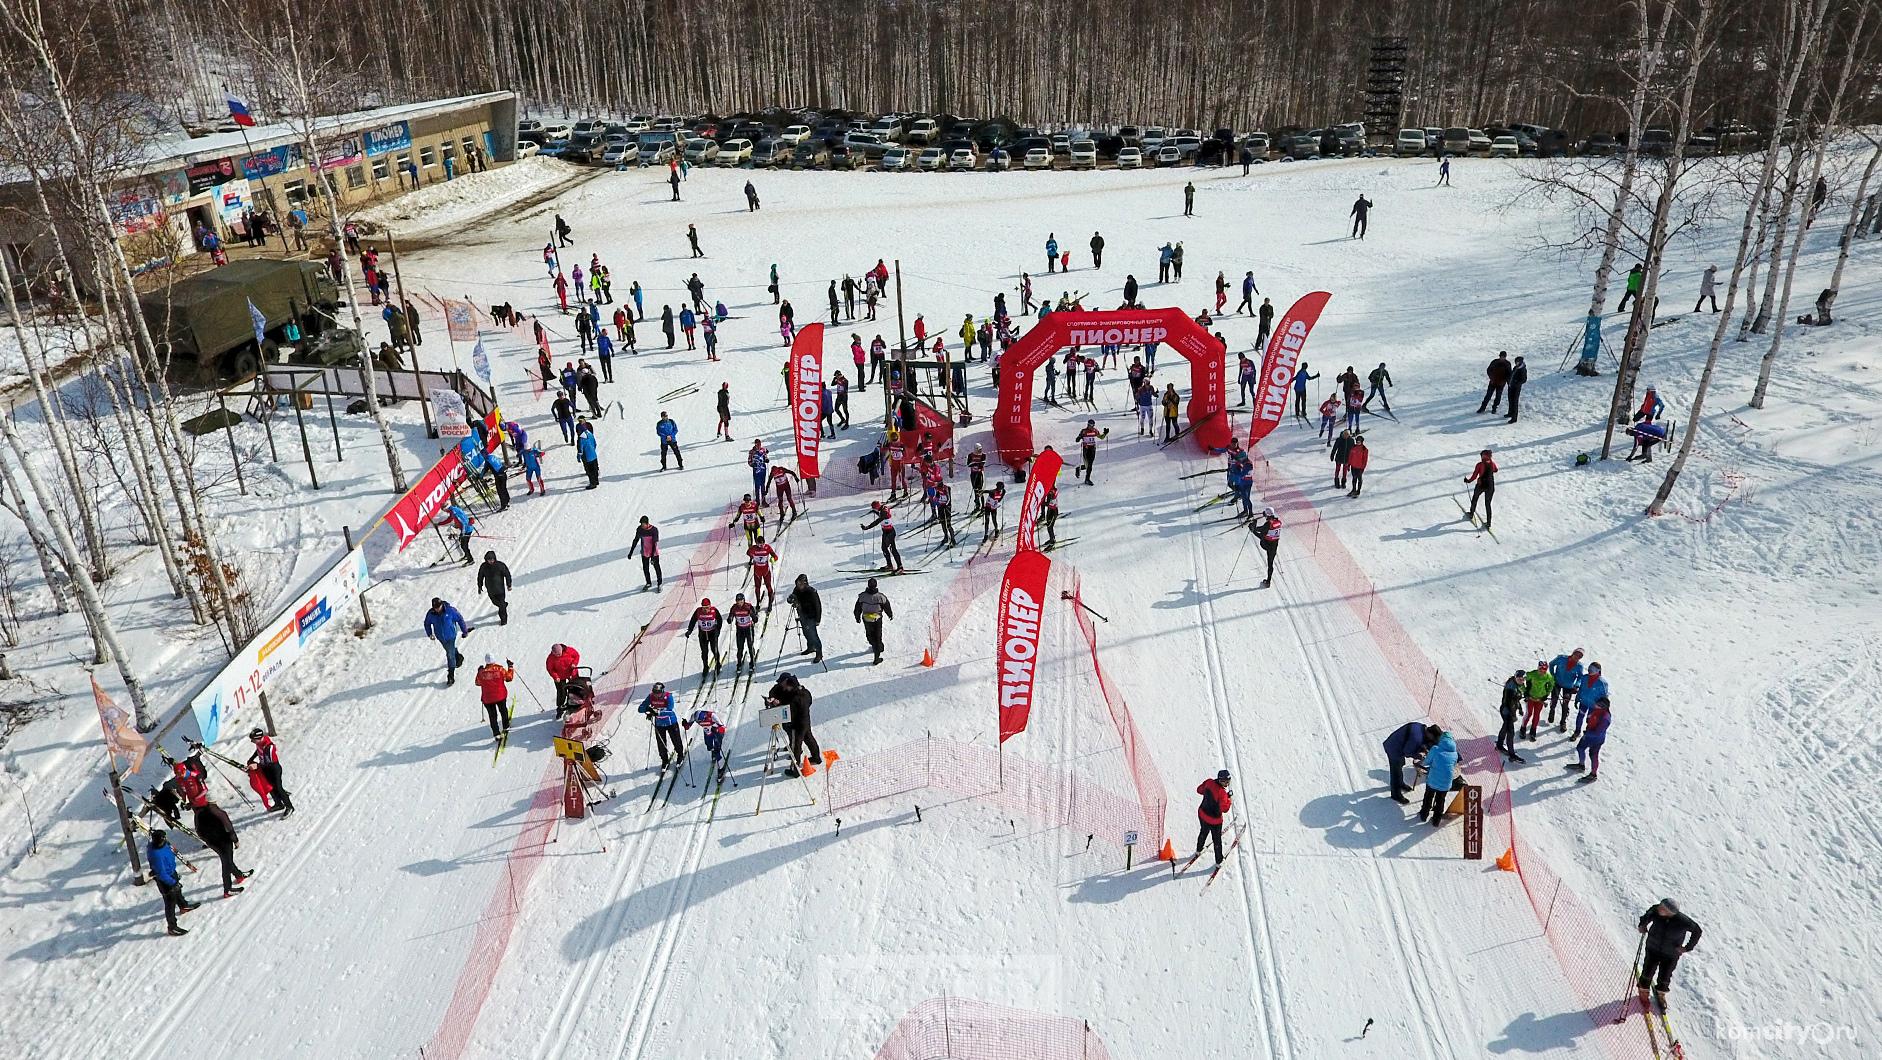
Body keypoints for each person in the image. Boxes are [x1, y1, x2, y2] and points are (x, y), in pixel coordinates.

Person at [1636, 900, 1703, 1008]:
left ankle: (1661, 993)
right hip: (1653, 948)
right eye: (1661, 905)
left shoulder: (1683, 921)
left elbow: (1697, 931)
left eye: (1663, 908)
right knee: (1648, 970)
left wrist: (1687, 947)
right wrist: (1642, 925)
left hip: (1670, 954)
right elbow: (1647, 916)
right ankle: (1643, 990)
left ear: (1670, 912)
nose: (1659, 908)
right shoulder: (1656, 910)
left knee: (1665, 975)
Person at [765, 672, 824, 775]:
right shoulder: (797, 691)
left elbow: (789, 711)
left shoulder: (798, 697)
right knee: (809, 738)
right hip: (804, 720)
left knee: (796, 746)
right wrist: (773, 698)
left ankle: (795, 770)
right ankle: (816, 758)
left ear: (788, 683)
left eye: (784, 686)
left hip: (798, 724)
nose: (782, 687)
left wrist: (779, 704)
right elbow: (776, 690)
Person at [192, 798, 250, 897]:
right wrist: (235, 840)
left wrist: (208, 841)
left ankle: (239, 875)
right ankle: (227, 890)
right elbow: (228, 825)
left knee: (226, 859)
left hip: (212, 843)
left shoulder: (198, 813)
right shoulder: (216, 811)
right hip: (224, 840)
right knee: (226, 863)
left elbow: (198, 831)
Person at [148, 829, 198, 935]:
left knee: (178, 891)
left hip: (171, 872)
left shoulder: (164, 845)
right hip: (165, 880)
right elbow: (161, 874)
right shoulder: (156, 855)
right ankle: (172, 927)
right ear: (159, 841)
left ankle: (183, 906)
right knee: (170, 903)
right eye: (163, 839)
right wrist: (173, 883)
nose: (166, 840)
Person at [1382, 722, 1441, 803]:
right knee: (1395, 772)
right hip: (1394, 748)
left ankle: (1400, 783)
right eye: (1433, 738)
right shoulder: (1417, 738)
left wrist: (1422, 748)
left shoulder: (1421, 727)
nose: (1432, 740)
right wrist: (1419, 756)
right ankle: (1395, 794)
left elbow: (1412, 742)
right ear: (1430, 734)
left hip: (1398, 743)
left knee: (1400, 766)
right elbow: (1407, 752)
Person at [246, 728, 294, 815]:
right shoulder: (259, 743)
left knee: (278, 788)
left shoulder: (269, 747)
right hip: (265, 769)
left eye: (253, 740)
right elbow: (258, 751)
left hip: (274, 769)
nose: (252, 742)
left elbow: (268, 762)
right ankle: (278, 804)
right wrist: (251, 759)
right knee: (270, 787)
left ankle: (289, 806)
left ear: (260, 738)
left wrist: (256, 766)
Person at [1417, 728, 1459, 827]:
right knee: (1441, 800)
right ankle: (1436, 820)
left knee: (1428, 797)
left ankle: (1424, 815)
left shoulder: (1435, 749)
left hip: (1433, 780)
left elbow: (1426, 762)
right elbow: (1452, 766)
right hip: (1446, 782)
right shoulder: (1455, 754)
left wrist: (1421, 762)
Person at [423, 597, 470, 685]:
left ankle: (450, 676)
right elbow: (427, 623)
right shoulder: (431, 614)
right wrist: (430, 633)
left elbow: (459, 619)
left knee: (449, 654)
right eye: (435, 607)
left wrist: (465, 631)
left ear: (441, 604)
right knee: (449, 650)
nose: (437, 609)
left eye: (438, 606)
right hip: (441, 637)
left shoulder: (450, 610)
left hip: (451, 635)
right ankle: (458, 657)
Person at [640, 682, 685, 768]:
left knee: (676, 740)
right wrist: (648, 709)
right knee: (661, 743)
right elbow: (640, 709)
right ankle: (664, 760)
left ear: (662, 691)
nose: (656, 695)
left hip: (671, 722)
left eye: (658, 693)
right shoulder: (651, 697)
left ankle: (680, 755)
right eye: (654, 692)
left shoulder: (668, 696)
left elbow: (670, 710)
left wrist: (657, 712)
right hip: (659, 724)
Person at [1569, 697, 1611, 782]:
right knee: (1580, 748)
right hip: (1588, 735)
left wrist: (1587, 733)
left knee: (1593, 755)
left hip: (1596, 740)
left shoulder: (1605, 718)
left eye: (1598, 704)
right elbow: (1591, 718)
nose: (1595, 705)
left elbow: (1598, 733)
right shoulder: (1597, 710)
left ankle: (1593, 774)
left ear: (1603, 706)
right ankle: (1581, 765)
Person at [473, 655, 514, 742]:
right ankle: (506, 726)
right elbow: (509, 678)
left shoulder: (482, 672)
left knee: (492, 715)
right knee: (503, 710)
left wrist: (479, 671)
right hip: (500, 695)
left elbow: (477, 683)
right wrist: (510, 667)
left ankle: (496, 733)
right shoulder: (500, 669)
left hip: (487, 698)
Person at [1193, 770, 1231, 865]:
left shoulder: (1209, 782)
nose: (1226, 784)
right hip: (1215, 821)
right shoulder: (1222, 793)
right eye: (1224, 781)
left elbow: (1199, 790)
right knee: (1217, 840)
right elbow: (1225, 808)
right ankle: (1219, 861)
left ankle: (1199, 849)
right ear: (1219, 780)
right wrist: (1229, 799)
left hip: (1202, 814)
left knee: (1203, 832)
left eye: (1228, 781)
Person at [854, 577, 893, 665]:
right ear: (876, 586)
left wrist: (857, 617)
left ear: (868, 585)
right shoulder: (880, 597)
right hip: (877, 619)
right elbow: (887, 606)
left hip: (867, 619)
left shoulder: (862, 596)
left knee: (869, 635)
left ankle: (875, 645)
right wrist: (890, 614)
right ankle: (877, 654)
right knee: (878, 636)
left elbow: (857, 608)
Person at [787, 574, 824, 663]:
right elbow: (792, 597)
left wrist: (818, 619)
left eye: (801, 584)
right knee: (806, 633)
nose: (799, 586)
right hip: (802, 614)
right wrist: (790, 599)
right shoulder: (796, 590)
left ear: (805, 583)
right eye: (798, 583)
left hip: (811, 616)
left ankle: (819, 653)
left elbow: (818, 606)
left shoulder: (812, 592)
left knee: (813, 635)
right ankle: (810, 647)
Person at [860, 501, 904, 572]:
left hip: (890, 533)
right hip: (886, 532)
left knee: (893, 549)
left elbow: (877, 521)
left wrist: (867, 527)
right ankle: (890, 565)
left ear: (877, 507)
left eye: (874, 508)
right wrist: (875, 512)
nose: (875, 510)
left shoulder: (883, 512)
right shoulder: (882, 509)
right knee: (884, 548)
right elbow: (882, 513)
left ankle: (900, 567)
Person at [1547, 649, 1585, 729]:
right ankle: (1552, 710)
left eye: (1580, 656)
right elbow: (1551, 664)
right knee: (1554, 699)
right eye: (1576, 654)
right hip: (1556, 682)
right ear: (1573, 653)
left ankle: (1563, 722)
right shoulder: (1561, 658)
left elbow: (1580, 677)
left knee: (1565, 704)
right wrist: (1552, 675)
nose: (1577, 657)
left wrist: (1576, 685)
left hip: (1569, 687)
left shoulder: (1579, 666)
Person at [686, 598, 725, 673]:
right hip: (703, 634)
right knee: (704, 651)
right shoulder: (698, 611)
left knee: (714, 650)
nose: (706, 609)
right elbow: (693, 620)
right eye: (704, 607)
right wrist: (689, 630)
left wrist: (718, 630)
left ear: (710, 606)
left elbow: (719, 620)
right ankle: (705, 666)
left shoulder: (714, 611)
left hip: (712, 633)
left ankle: (718, 664)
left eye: (707, 607)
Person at [1520, 660, 1555, 742]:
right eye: (1540, 669)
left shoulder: (1548, 677)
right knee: (1529, 714)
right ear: (1538, 668)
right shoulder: (1532, 674)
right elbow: (1521, 681)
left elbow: (1551, 684)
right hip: (1531, 697)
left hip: (1540, 698)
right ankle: (1523, 728)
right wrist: (1525, 692)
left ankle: (1533, 730)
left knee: (1536, 715)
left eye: (1544, 669)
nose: (1542, 671)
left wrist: (1546, 694)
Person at [474, 551, 511, 626]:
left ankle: (504, 619)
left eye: (492, 559)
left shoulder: (500, 565)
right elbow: (480, 576)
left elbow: (507, 574)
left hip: (500, 590)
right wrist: (479, 586)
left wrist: (509, 584)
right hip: (491, 590)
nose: (491, 561)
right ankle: (503, 604)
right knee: (495, 602)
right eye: (489, 559)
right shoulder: (483, 567)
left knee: (501, 606)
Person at [1571, 662, 1608, 737]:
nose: (1590, 670)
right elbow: (1581, 689)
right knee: (1580, 717)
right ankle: (1577, 731)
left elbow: (1605, 697)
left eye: (1593, 669)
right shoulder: (1585, 678)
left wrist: (1602, 708)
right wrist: (1577, 699)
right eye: (1589, 668)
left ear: (1598, 671)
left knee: (1590, 720)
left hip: (1594, 706)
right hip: (1583, 702)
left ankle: (1587, 733)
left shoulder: (1602, 683)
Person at [1496, 669, 1526, 762]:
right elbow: (1507, 702)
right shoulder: (1510, 688)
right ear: (1515, 678)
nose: (1521, 681)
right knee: (1510, 732)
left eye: (1522, 679)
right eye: (1519, 679)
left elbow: (1517, 700)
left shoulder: (1519, 685)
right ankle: (1512, 754)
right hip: (1507, 711)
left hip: (1511, 710)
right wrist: (1511, 714)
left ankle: (1499, 745)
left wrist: (1520, 708)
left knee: (1505, 728)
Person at [1464, 449, 1497, 530]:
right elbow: (1496, 470)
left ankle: (1471, 514)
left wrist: (1468, 481)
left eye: (1481, 455)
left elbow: (1475, 475)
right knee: (1488, 504)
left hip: (1481, 485)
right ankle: (1488, 523)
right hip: (1490, 486)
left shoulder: (1480, 464)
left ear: (1484, 456)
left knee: (1475, 498)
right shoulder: (1492, 463)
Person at [1249, 507, 1281, 584]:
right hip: (1274, 545)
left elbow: (1261, 532)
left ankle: (1268, 581)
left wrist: (1253, 530)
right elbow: (1265, 528)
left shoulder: (1268, 524)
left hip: (1266, 544)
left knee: (1262, 538)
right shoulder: (1278, 522)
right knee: (1270, 563)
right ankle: (1268, 581)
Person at [747, 534, 779, 610]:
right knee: (757, 587)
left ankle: (770, 602)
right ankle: (758, 601)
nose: (761, 545)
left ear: (764, 543)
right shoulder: (753, 548)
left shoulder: (767, 547)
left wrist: (773, 559)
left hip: (766, 571)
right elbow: (748, 553)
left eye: (762, 544)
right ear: (756, 543)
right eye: (759, 544)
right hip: (757, 572)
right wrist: (753, 557)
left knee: (768, 586)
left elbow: (775, 556)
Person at [629, 515, 663, 589]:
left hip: (654, 552)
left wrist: (653, 557)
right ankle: (648, 583)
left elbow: (655, 544)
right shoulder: (639, 529)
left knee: (657, 567)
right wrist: (631, 552)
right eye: (641, 524)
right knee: (645, 568)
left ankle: (659, 584)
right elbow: (635, 540)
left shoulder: (654, 530)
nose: (642, 525)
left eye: (643, 524)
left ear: (647, 523)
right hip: (645, 552)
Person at [728, 593, 759, 671]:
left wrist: (751, 614)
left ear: (744, 600)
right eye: (738, 601)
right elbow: (730, 616)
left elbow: (756, 619)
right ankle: (739, 663)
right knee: (740, 647)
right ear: (736, 601)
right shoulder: (734, 608)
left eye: (741, 601)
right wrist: (730, 619)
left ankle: (752, 662)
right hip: (740, 630)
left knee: (750, 646)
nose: (740, 603)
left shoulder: (748, 606)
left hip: (748, 629)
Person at [1074, 419, 1105, 484]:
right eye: (1089, 425)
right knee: (1089, 466)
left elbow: (1101, 437)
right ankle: (1087, 479)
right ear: (1087, 424)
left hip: (1093, 449)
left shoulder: (1095, 431)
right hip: (1086, 449)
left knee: (1089, 465)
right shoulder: (1084, 431)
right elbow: (1077, 440)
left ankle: (1079, 468)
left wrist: (1105, 433)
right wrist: (1079, 437)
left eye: (1092, 425)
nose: (1091, 426)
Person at [576, 420, 599, 490]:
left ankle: (592, 484)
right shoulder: (590, 434)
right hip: (594, 455)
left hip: (587, 457)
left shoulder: (581, 438)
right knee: (595, 469)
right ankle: (596, 481)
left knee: (590, 471)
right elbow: (595, 444)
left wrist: (578, 457)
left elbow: (580, 450)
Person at [1505, 356, 1529, 423]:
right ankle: (1510, 413)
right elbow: (1512, 375)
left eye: (1517, 362)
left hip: (1516, 388)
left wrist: (1516, 382)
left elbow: (1524, 380)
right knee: (1510, 400)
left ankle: (1514, 418)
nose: (1516, 363)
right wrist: (1509, 380)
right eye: (1515, 362)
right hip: (1511, 386)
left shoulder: (1523, 369)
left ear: (1521, 362)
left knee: (1515, 402)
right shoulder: (1515, 368)